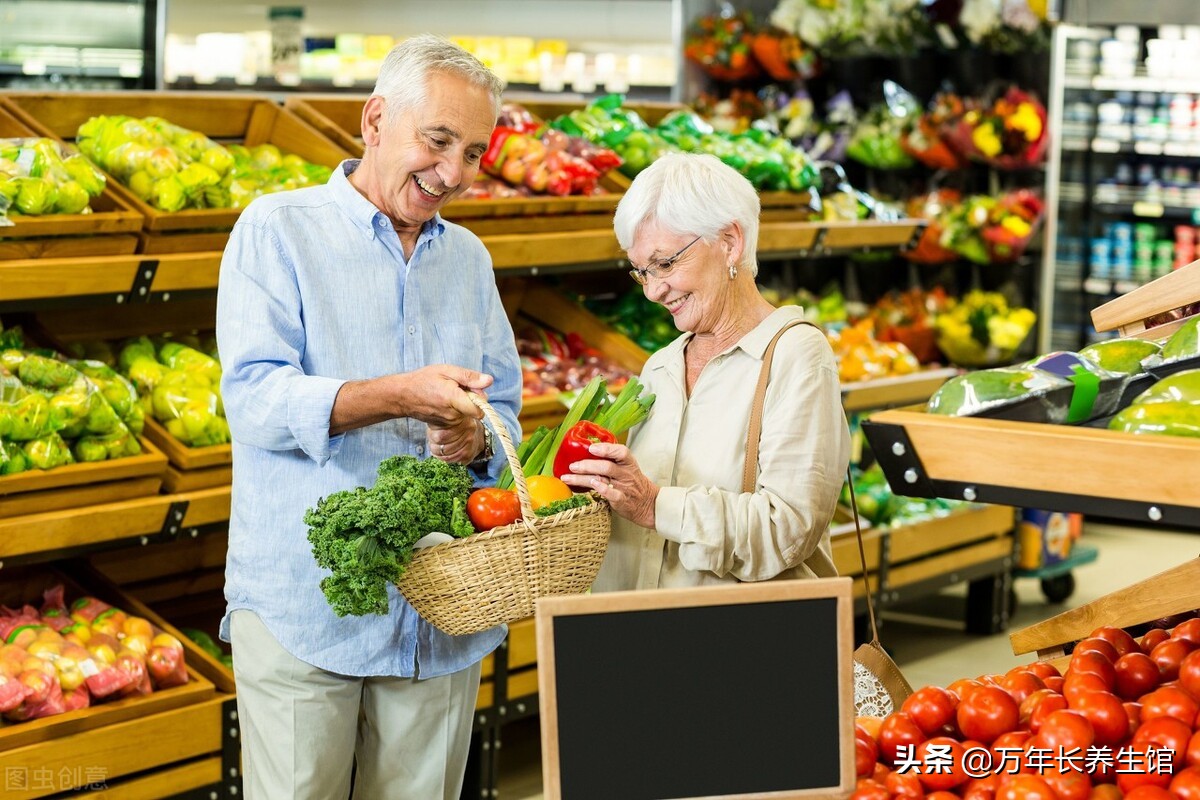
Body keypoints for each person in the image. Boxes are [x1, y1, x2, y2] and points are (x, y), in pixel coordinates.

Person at [215, 35, 521, 800]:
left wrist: (477, 433)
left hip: (439, 614)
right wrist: (395, 395)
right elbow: (253, 399)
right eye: (438, 140)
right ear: (375, 119)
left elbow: (509, 411)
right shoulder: (276, 230)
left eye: (475, 154)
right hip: (305, 610)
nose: (453, 173)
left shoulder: (470, 261)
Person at [559, 152, 850, 588]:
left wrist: (655, 505)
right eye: (641, 272)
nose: (654, 291)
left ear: (729, 241)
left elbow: (788, 528)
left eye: (666, 263)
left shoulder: (796, 355)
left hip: (735, 642)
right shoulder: (661, 367)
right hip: (644, 635)